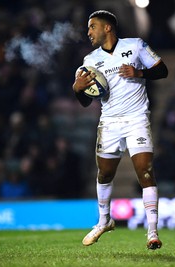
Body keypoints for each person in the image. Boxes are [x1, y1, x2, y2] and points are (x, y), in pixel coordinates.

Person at [72, 10, 168, 250]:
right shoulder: (90, 61)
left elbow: (162, 70)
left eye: (92, 26)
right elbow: (86, 101)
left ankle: (152, 232)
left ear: (107, 28)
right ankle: (104, 220)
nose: (88, 32)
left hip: (137, 118)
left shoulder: (135, 46)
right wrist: (78, 89)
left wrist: (140, 73)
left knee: (145, 171)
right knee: (104, 174)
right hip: (110, 122)